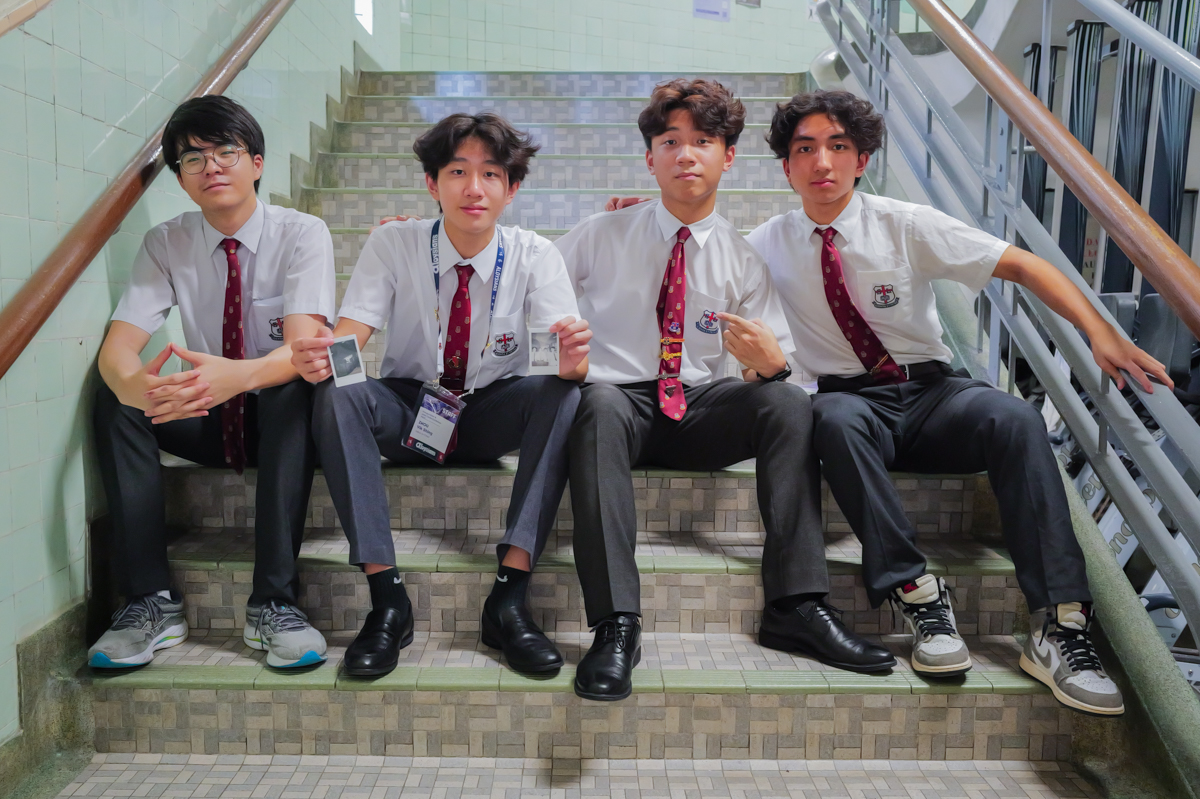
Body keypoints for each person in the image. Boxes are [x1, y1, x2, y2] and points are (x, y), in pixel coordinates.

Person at [746, 89, 1173, 715]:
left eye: (838, 146)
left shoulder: (905, 223)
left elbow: (1022, 265)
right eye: (805, 149)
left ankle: (1059, 625)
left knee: (1015, 416)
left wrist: (1099, 330)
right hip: (851, 403)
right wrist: (632, 222)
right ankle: (918, 596)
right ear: (787, 167)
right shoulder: (766, 242)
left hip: (931, 393)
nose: (823, 162)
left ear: (862, 160)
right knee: (829, 416)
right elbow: (700, 265)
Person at [556, 79, 898, 702]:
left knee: (788, 400)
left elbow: (771, 368)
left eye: (703, 141)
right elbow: (530, 278)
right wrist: (426, 238)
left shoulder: (744, 260)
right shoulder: (601, 232)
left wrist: (770, 369)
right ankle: (615, 624)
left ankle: (795, 606)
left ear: (728, 156)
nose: (686, 154)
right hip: (618, 406)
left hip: (696, 410)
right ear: (650, 158)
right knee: (597, 403)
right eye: (670, 142)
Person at [291, 112, 592, 677]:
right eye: (457, 171)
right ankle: (387, 600)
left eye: (491, 173)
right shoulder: (394, 242)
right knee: (338, 391)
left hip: (489, 408)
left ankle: (509, 598)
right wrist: (323, 358)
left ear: (511, 189)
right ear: (432, 183)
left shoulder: (535, 255)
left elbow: (552, 363)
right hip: (411, 407)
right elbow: (352, 338)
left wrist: (573, 365)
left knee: (562, 394)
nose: (474, 188)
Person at [90, 95, 336, 670]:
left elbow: (302, 351)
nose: (211, 167)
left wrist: (235, 378)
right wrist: (135, 387)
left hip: (279, 421)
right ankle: (149, 602)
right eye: (193, 159)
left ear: (256, 163)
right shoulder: (166, 242)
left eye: (226, 151)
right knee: (115, 401)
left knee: (293, 389)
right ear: (180, 179)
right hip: (208, 415)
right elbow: (118, 349)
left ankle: (274, 603)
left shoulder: (303, 233)